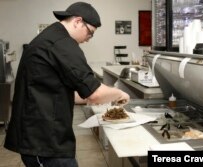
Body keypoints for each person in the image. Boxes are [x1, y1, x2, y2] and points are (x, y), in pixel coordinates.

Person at [4, 2, 129, 167]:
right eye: (90, 33)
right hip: (43, 143)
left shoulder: (52, 37)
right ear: (77, 21)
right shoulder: (62, 43)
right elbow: (95, 93)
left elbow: (62, 91)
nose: (88, 39)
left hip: (41, 137)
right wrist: (119, 93)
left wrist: (92, 98)